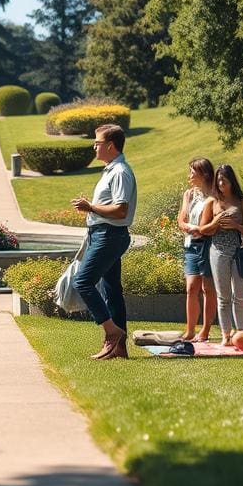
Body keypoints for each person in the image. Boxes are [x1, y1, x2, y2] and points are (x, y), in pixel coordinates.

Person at [70, 124, 137, 361]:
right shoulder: (111, 170)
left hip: (110, 236)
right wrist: (92, 209)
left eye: (97, 142)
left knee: (83, 281)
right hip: (104, 234)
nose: (94, 146)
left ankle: (112, 332)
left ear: (110, 145)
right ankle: (119, 349)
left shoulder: (120, 172)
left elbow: (120, 210)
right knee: (111, 290)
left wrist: (90, 207)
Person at [208, 164, 243, 345]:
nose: (221, 184)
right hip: (218, 251)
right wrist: (216, 222)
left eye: (224, 180)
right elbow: (204, 229)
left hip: (238, 251)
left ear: (231, 181)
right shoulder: (212, 202)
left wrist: (236, 226)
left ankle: (242, 333)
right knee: (223, 296)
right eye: (218, 180)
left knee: (240, 295)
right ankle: (226, 335)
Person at [177, 157, 217, 342]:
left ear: (204, 174)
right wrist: (187, 227)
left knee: (208, 288)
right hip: (191, 244)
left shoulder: (214, 196)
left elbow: (206, 225)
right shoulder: (189, 194)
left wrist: (195, 228)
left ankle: (206, 330)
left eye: (192, 172)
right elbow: (181, 218)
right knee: (191, 288)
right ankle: (190, 330)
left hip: (208, 244)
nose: (189, 176)